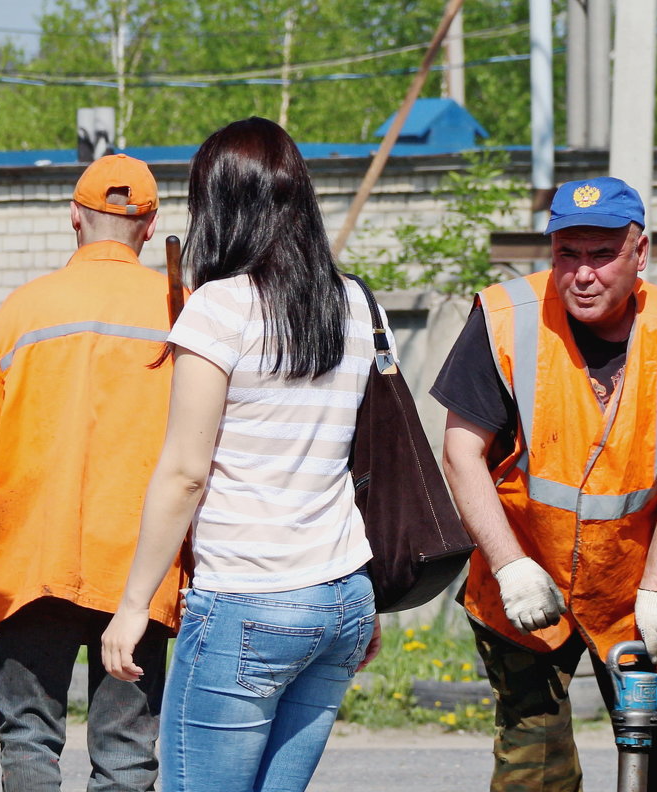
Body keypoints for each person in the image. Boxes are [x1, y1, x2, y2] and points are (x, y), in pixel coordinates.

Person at [101, 117, 384, 792]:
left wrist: (135, 602)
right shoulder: (350, 302)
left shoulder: (218, 309)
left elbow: (184, 471)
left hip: (249, 602)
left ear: (220, 207)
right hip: (342, 593)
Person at [432, 176, 657, 791]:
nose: (582, 274)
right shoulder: (505, 320)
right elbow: (461, 452)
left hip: (635, 584)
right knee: (535, 763)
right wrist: (510, 567)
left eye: (601, 255)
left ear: (639, 254)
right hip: (524, 584)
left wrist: (652, 593)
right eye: (568, 254)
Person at [0, 153, 187, 792]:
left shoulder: (22, 312)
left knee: (29, 736)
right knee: (125, 754)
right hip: (141, 571)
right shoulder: (184, 312)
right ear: (149, 226)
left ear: (72, 217)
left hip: (35, 562)